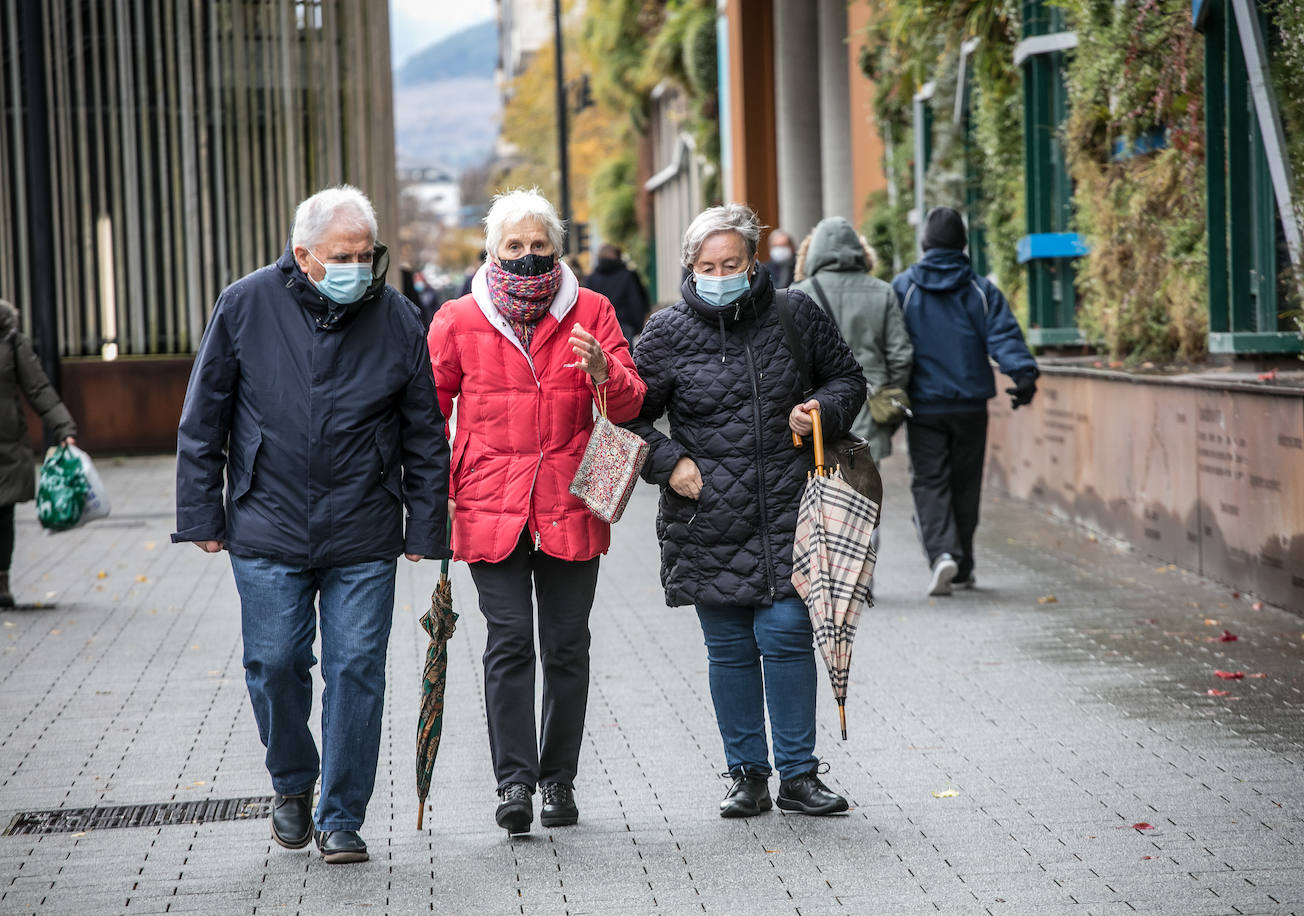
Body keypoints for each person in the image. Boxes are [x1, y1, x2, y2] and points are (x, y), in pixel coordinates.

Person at [172, 186, 451, 865]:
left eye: (368, 254)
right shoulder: (245, 304)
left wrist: (427, 528)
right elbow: (204, 416)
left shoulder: (396, 315)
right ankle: (292, 784)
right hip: (266, 522)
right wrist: (200, 513)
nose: (360, 266)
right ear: (302, 255)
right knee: (276, 665)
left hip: (363, 525)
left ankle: (343, 817)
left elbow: (424, 429)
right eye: (343, 256)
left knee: (358, 669)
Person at [625, 204, 866, 820]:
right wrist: (668, 461)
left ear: (752, 260)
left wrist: (819, 410)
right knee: (729, 646)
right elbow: (628, 415)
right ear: (690, 267)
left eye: (731, 262)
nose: (720, 273)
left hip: (793, 503)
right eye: (707, 265)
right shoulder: (665, 333)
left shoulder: (795, 312)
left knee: (785, 633)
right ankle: (746, 775)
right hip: (707, 513)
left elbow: (846, 380)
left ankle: (800, 774)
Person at [427, 188, 645, 836]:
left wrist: (607, 371)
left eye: (538, 245)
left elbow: (632, 404)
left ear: (558, 248)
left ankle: (559, 780)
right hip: (489, 503)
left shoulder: (594, 311)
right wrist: (434, 488)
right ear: (492, 251)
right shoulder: (458, 320)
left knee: (567, 645)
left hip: (571, 501)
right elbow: (427, 413)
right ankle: (515, 780)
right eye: (514, 246)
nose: (527, 256)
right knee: (511, 640)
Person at [891, 206, 1038, 596]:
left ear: (925, 244)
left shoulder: (904, 288)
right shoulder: (980, 290)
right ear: (962, 245)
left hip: (923, 406)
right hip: (971, 404)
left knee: (929, 482)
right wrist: (1022, 374)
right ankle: (964, 564)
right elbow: (1003, 335)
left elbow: (892, 343)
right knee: (965, 484)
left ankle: (942, 555)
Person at [792, 217, 913, 463]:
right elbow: (901, 354)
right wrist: (885, 390)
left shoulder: (798, 294)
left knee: (818, 490)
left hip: (816, 412)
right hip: (869, 404)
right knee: (865, 489)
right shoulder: (882, 291)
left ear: (813, 250)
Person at [0, 299, 78, 609]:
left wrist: (64, 428)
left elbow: (38, 387)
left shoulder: (9, 337)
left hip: (5, 445)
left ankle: (1, 581)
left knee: (3, 514)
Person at [582, 244, 650, 343]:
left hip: (599, 331)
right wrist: (639, 327)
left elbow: (587, 306)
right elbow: (635, 302)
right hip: (624, 329)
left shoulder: (590, 279)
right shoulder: (628, 275)